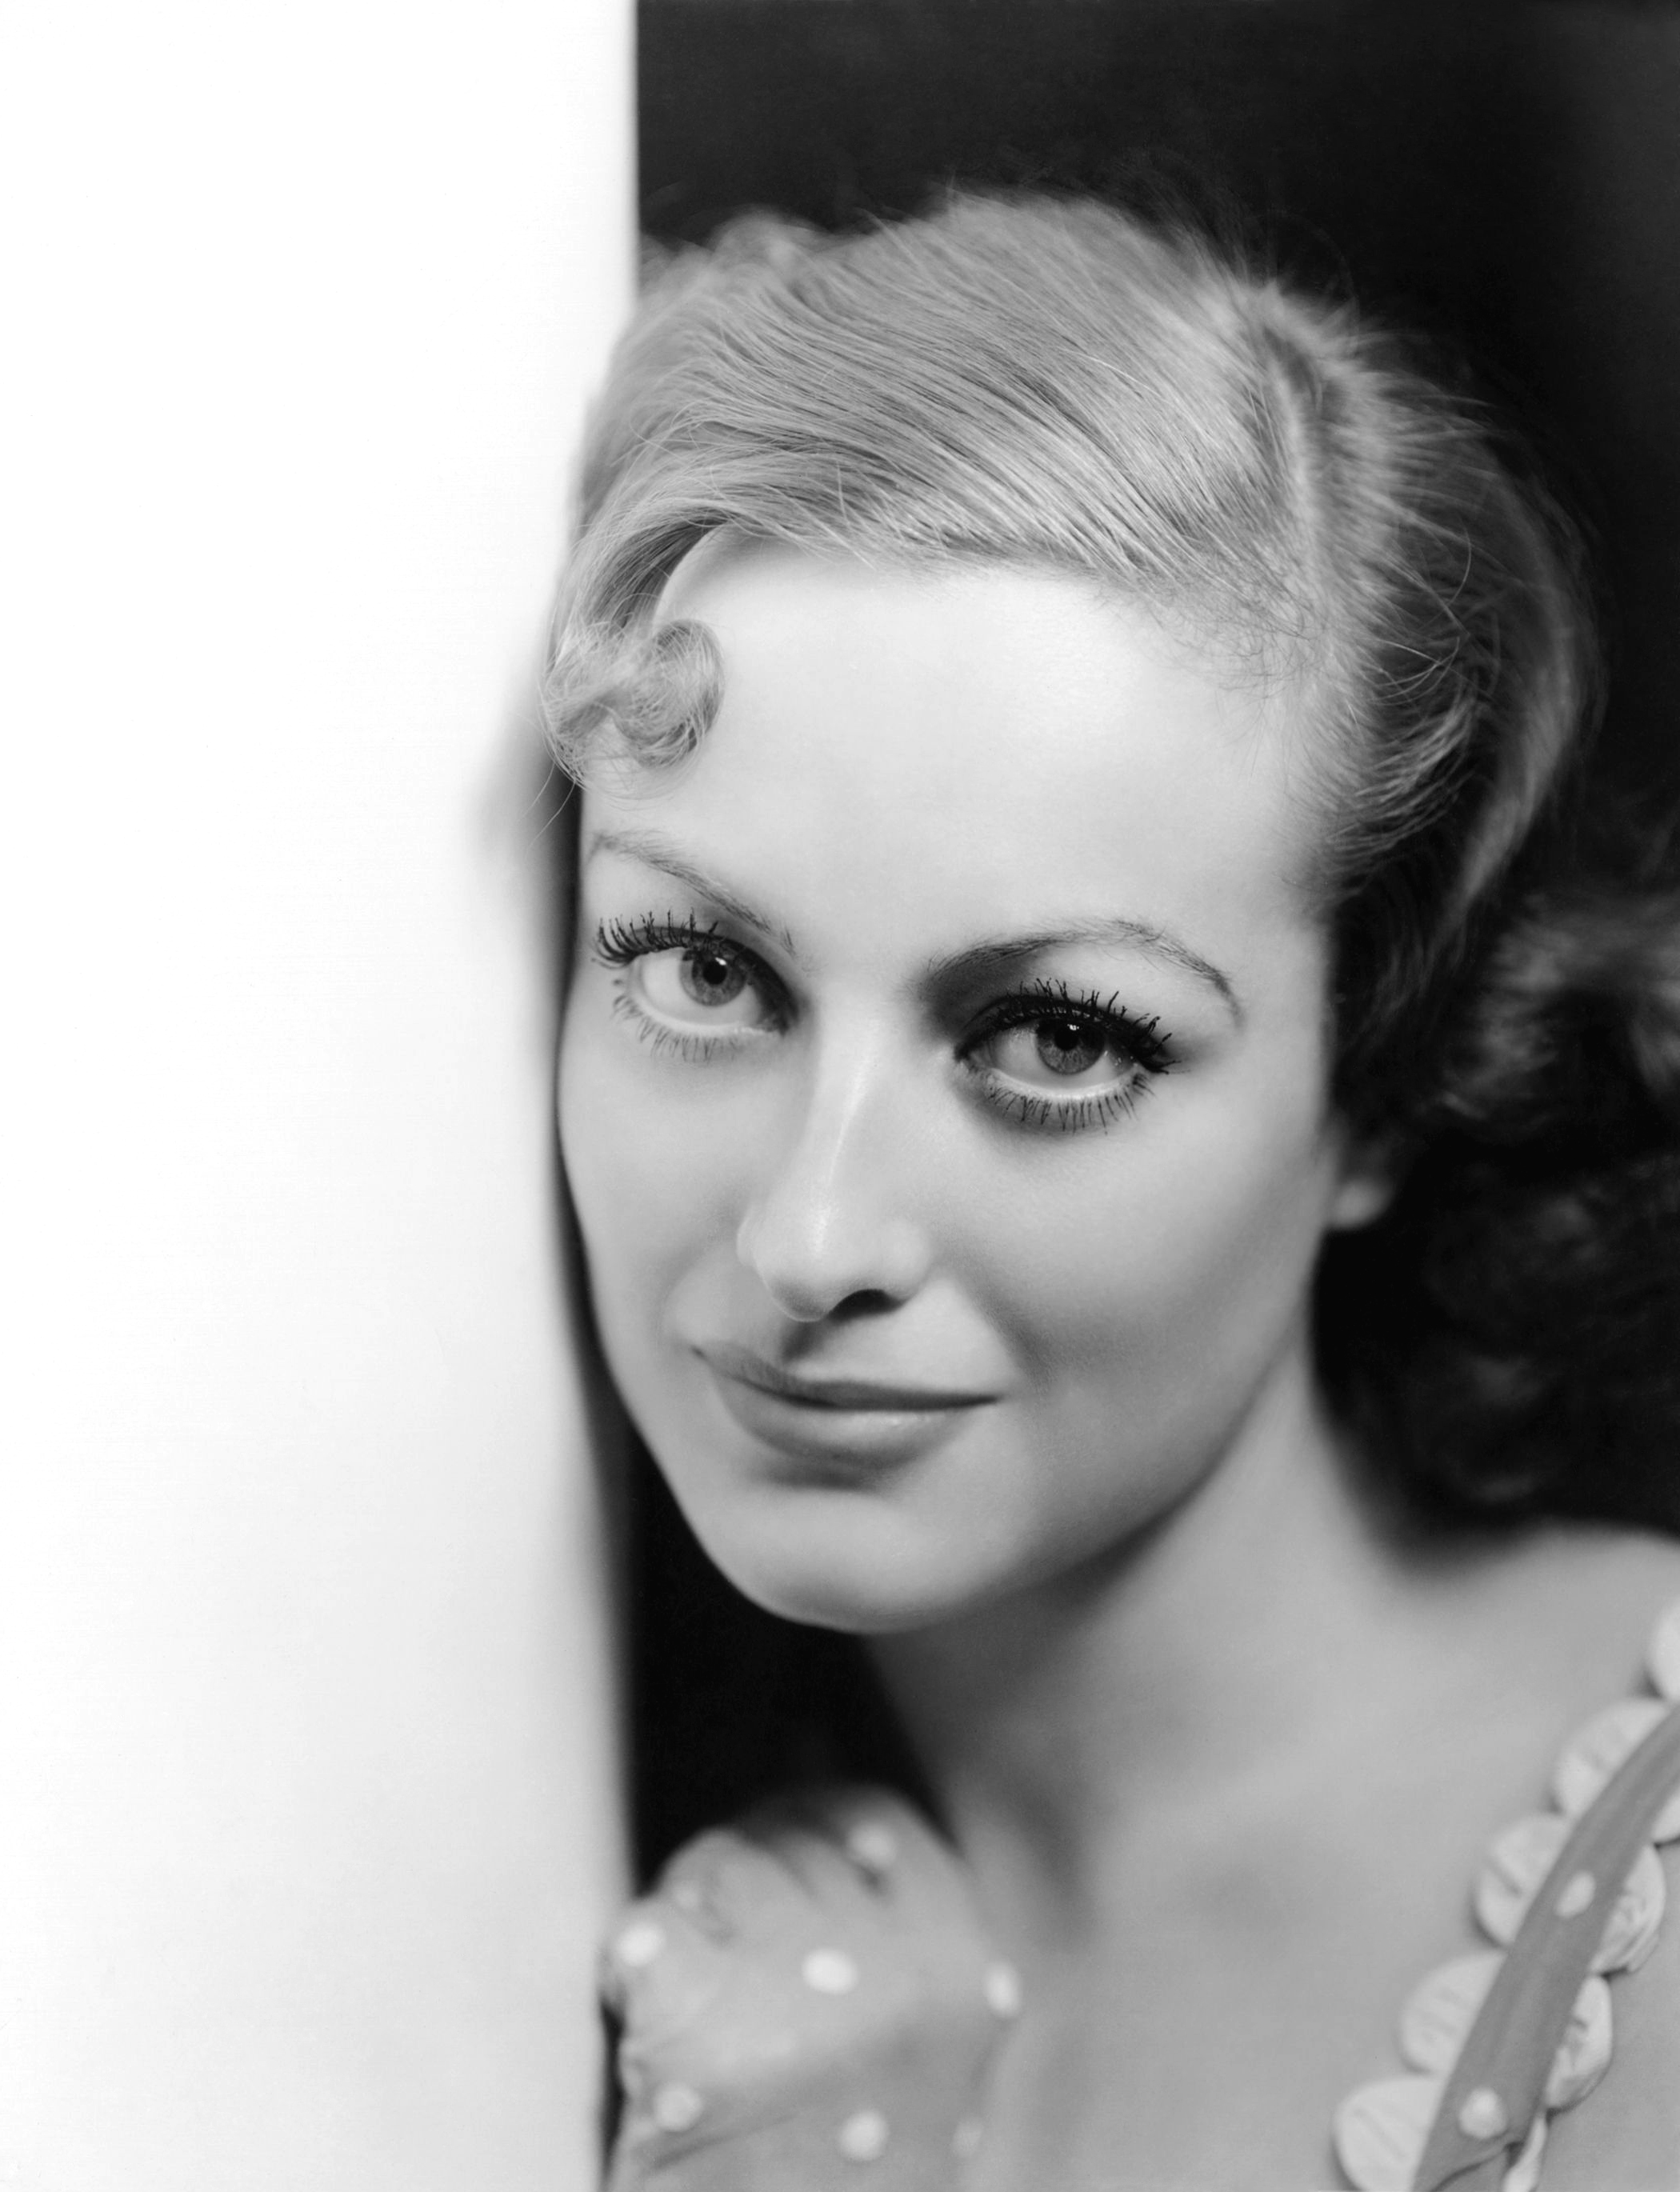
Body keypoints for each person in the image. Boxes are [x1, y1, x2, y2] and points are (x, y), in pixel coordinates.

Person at [544, 192, 1680, 2191]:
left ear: (1383, 1087)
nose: (812, 1237)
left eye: (1060, 1036)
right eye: (703, 970)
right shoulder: (549, 1853)